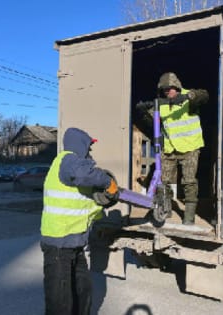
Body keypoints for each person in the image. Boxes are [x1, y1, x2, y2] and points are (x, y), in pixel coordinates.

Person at [40, 127, 119, 315]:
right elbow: (83, 174)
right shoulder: (68, 160)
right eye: (89, 146)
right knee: (60, 303)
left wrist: (108, 199)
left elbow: (88, 204)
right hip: (58, 245)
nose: (90, 151)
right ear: (79, 144)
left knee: (82, 293)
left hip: (75, 244)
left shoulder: (77, 169)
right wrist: (107, 182)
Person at [137, 72, 209, 224]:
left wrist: (190, 96)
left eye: (170, 88)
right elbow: (151, 122)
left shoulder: (188, 97)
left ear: (177, 87)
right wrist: (143, 111)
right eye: (164, 89)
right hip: (169, 147)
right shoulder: (160, 102)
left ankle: (188, 218)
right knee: (164, 181)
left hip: (190, 147)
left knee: (189, 181)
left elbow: (204, 95)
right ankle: (165, 211)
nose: (168, 91)